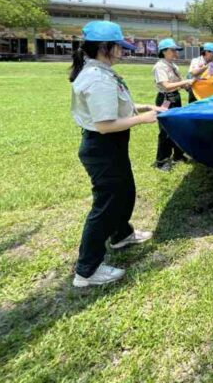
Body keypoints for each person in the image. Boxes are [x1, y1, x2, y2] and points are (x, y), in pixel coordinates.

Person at [69, 21, 162, 287]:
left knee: (125, 193)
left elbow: (118, 106)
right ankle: (86, 271)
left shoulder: (103, 72)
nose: (123, 51)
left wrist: (143, 107)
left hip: (111, 147)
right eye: (119, 47)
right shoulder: (97, 78)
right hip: (103, 146)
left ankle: (121, 235)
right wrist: (144, 119)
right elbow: (104, 125)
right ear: (104, 48)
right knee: (105, 206)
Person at [153, 38, 195, 171]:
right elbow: (165, 85)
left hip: (175, 98)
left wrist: (187, 85)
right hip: (165, 99)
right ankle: (161, 160)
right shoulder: (160, 66)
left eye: (176, 50)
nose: (175, 52)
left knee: (177, 127)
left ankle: (178, 155)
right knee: (165, 131)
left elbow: (180, 82)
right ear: (163, 51)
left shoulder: (173, 65)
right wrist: (184, 82)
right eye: (173, 50)